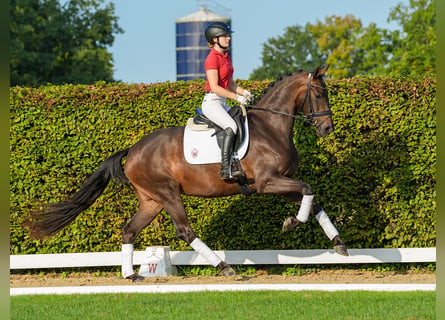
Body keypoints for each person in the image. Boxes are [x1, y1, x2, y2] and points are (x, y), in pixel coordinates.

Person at [202, 21, 252, 180]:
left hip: (222, 102)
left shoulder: (226, 57)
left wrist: (244, 92)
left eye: (228, 35)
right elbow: (215, 87)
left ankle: (237, 158)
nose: (228, 38)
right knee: (231, 126)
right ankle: (225, 169)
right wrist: (237, 97)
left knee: (242, 120)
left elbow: (230, 83)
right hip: (212, 102)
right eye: (224, 36)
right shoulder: (212, 59)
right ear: (214, 39)